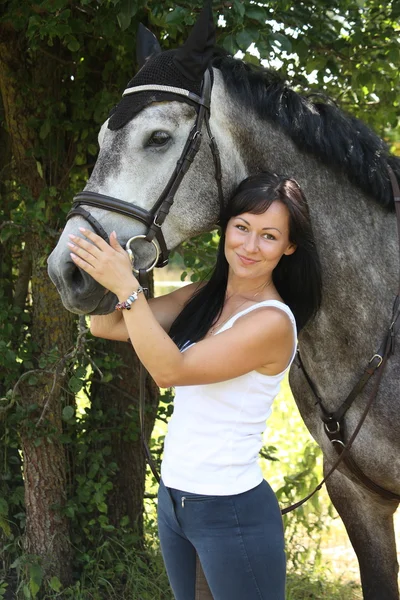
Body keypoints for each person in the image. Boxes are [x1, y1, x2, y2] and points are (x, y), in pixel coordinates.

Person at [67, 171, 322, 600]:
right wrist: (103, 271)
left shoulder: (272, 322)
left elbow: (170, 371)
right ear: (226, 228)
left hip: (231, 512)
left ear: (289, 246)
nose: (249, 245)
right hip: (175, 503)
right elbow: (106, 325)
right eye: (242, 227)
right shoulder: (205, 295)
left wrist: (128, 288)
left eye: (269, 236)